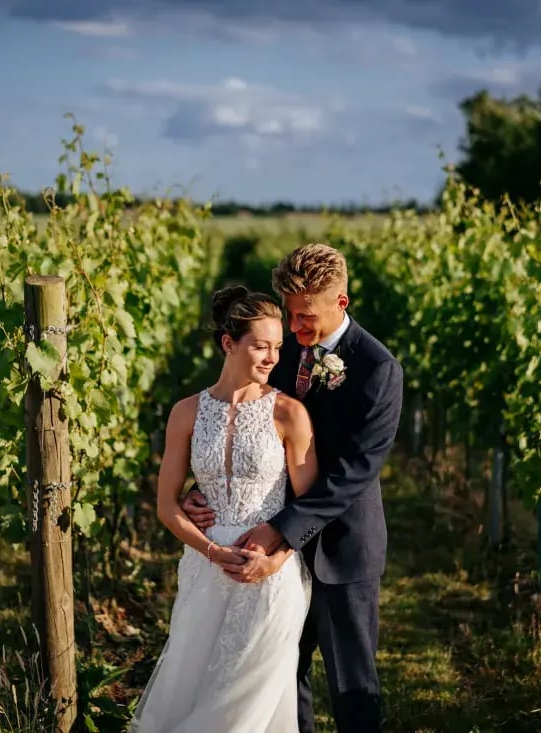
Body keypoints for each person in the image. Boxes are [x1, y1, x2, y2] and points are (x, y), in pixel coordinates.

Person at [184, 243, 404, 733]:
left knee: (352, 685)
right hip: (271, 548)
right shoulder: (280, 353)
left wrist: (281, 531)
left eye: (305, 316)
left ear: (340, 303)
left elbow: (353, 473)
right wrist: (207, 489)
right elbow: (246, 421)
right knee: (282, 674)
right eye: (289, 313)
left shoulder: (378, 369)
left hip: (342, 550)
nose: (295, 327)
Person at [129, 286, 318, 733]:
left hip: (270, 577)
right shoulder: (186, 412)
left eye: (277, 346)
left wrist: (275, 559)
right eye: (261, 346)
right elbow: (166, 505)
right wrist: (211, 551)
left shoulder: (289, 414)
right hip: (202, 572)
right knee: (195, 687)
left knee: (242, 707)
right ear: (228, 344)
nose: (272, 357)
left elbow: (309, 507)